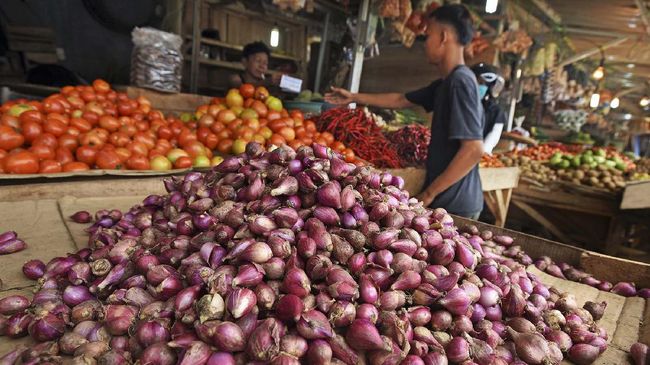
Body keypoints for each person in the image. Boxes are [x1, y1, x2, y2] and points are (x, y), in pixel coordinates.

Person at [325, 4, 484, 219]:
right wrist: (353, 97)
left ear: (444, 37)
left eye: (428, 36)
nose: (424, 44)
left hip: (456, 204)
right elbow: (400, 99)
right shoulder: (446, 83)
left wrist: (429, 193)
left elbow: (474, 149)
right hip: (451, 200)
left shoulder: (460, 82)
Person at [471, 63, 506, 154]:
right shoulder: (461, 102)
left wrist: (483, 153)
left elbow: (493, 137)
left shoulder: (495, 111)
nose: (480, 86)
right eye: (479, 82)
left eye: (483, 83)